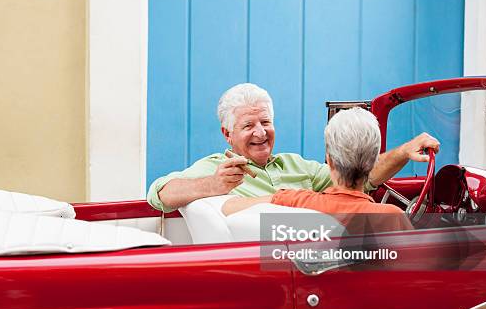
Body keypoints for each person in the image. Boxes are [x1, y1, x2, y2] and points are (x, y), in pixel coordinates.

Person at [147, 83, 439, 213]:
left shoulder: (297, 165)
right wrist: (214, 184)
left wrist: (402, 152)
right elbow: (158, 194)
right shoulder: (218, 168)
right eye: (249, 126)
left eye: (266, 122)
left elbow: (360, 178)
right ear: (227, 134)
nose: (261, 132)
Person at [221, 107, 413, 233]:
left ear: (329, 160)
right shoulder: (392, 217)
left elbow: (228, 208)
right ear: (373, 164)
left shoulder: (296, 200)